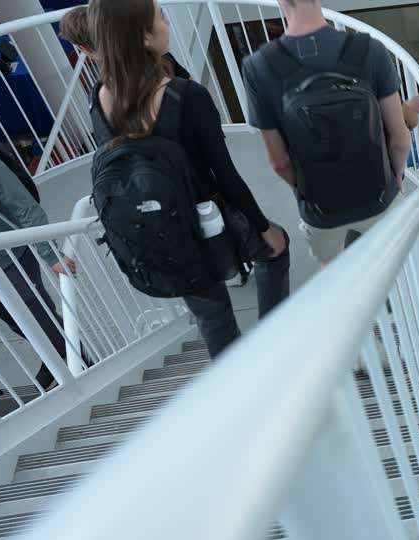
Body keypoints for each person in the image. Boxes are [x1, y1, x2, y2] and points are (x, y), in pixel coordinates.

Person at [89, 0, 289, 360]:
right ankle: (274, 345)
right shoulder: (187, 96)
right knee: (276, 249)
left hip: (161, 231)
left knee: (212, 313)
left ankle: (235, 386)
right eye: (161, 17)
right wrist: (262, 227)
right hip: (210, 220)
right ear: (145, 37)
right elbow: (226, 177)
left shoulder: (101, 96)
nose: (168, 23)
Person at [242, 0, 409, 266]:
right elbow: (399, 141)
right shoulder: (370, 50)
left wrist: (309, 192)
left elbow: (279, 162)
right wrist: (396, 176)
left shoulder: (259, 66)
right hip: (380, 198)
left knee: (335, 277)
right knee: (396, 268)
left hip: (322, 213)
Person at [0, 146, 77, 395]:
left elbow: (22, 204)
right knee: (17, 322)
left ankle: (83, 365)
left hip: (7, 254)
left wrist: (50, 254)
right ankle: (57, 360)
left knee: (38, 315)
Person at [61, 4, 191, 79]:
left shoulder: (101, 101)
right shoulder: (161, 57)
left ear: (86, 49)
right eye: (160, 16)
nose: (166, 21)